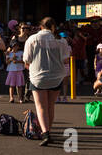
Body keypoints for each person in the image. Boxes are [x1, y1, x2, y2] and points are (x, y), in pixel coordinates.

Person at [23, 17, 70, 145]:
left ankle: (45, 133)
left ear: (41, 26)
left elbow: (27, 59)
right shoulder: (61, 41)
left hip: (38, 76)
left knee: (41, 106)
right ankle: (48, 129)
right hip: (56, 76)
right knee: (50, 105)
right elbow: (66, 60)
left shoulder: (32, 39)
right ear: (53, 27)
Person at [4, 37, 26, 103]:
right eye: (14, 46)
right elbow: (6, 62)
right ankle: (11, 97)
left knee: (19, 85)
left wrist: (17, 61)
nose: (15, 47)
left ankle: (20, 98)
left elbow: (24, 61)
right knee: (12, 85)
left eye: (16, 46)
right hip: (11, 70)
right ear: (12, 46)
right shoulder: (9, 53)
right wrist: (11, 59)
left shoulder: (21, 53)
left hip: (19, 70)